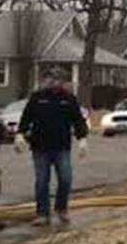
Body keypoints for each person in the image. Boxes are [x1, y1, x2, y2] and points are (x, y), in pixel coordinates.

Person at [15, 66, 89, 226]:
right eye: (50, 79)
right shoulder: (37, 98)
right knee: (42, 181)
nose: (53, 82)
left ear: (62, 82)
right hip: (40, 147)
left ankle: (61, 209)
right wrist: (20, 134)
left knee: (65, 179)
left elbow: (78, 120)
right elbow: (26, 118)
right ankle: (42, 213)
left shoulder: (69, 99)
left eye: (57, 79)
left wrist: (82, 138)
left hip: (61, 147)